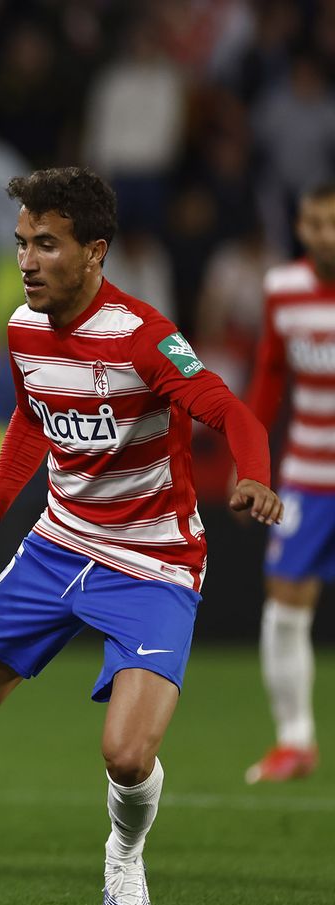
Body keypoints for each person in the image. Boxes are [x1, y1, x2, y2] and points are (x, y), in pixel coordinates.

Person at [0, 167, 282, 905]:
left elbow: (230, 410)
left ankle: (123, 864)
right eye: (20, 244)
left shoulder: (143, 337)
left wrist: (254, 476)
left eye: (47, 244)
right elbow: (31, 417)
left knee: (127, 757)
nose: (28, 261)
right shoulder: (23, 328)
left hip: (152, 560)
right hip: (58, 545)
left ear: (95, 251)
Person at [242, 180, 335, 784]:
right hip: (306, 476)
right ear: (300, 228)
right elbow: (270, 376)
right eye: (313, 223)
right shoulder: (283, 289)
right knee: (284, 605)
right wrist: (253, 465)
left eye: (332, 222)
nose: (324, 234)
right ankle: (295, 741)